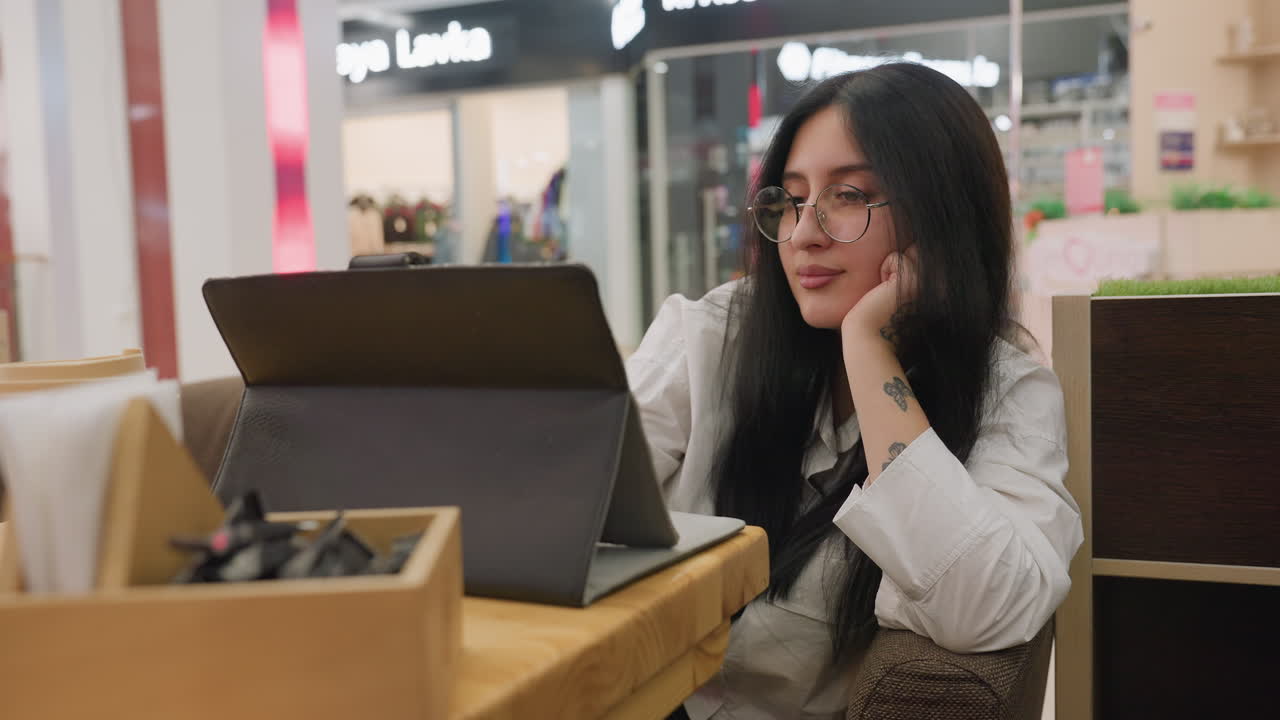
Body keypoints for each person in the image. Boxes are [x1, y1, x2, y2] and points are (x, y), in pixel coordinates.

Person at [627, 63, 1083, 719]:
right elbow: (577, 509)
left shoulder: (1008, 392)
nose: (804, 232)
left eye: (847, 196)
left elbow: (984, 607)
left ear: (941, 216)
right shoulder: (710, 338)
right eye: (790, 198)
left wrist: (870, 350)